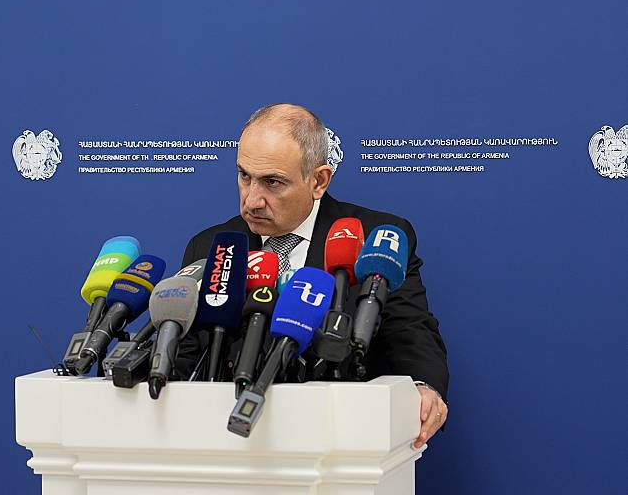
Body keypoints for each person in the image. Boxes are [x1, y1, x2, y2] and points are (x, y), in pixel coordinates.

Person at [176, 103, 449, 448]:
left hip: (343, 437)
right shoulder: (211, 246)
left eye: (273, 182)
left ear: (319, 180)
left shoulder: (375, 236)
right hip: (228, 440)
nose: (252, 200)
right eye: (244, 176)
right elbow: (187, 350)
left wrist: (422, 386)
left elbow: (408, 329)